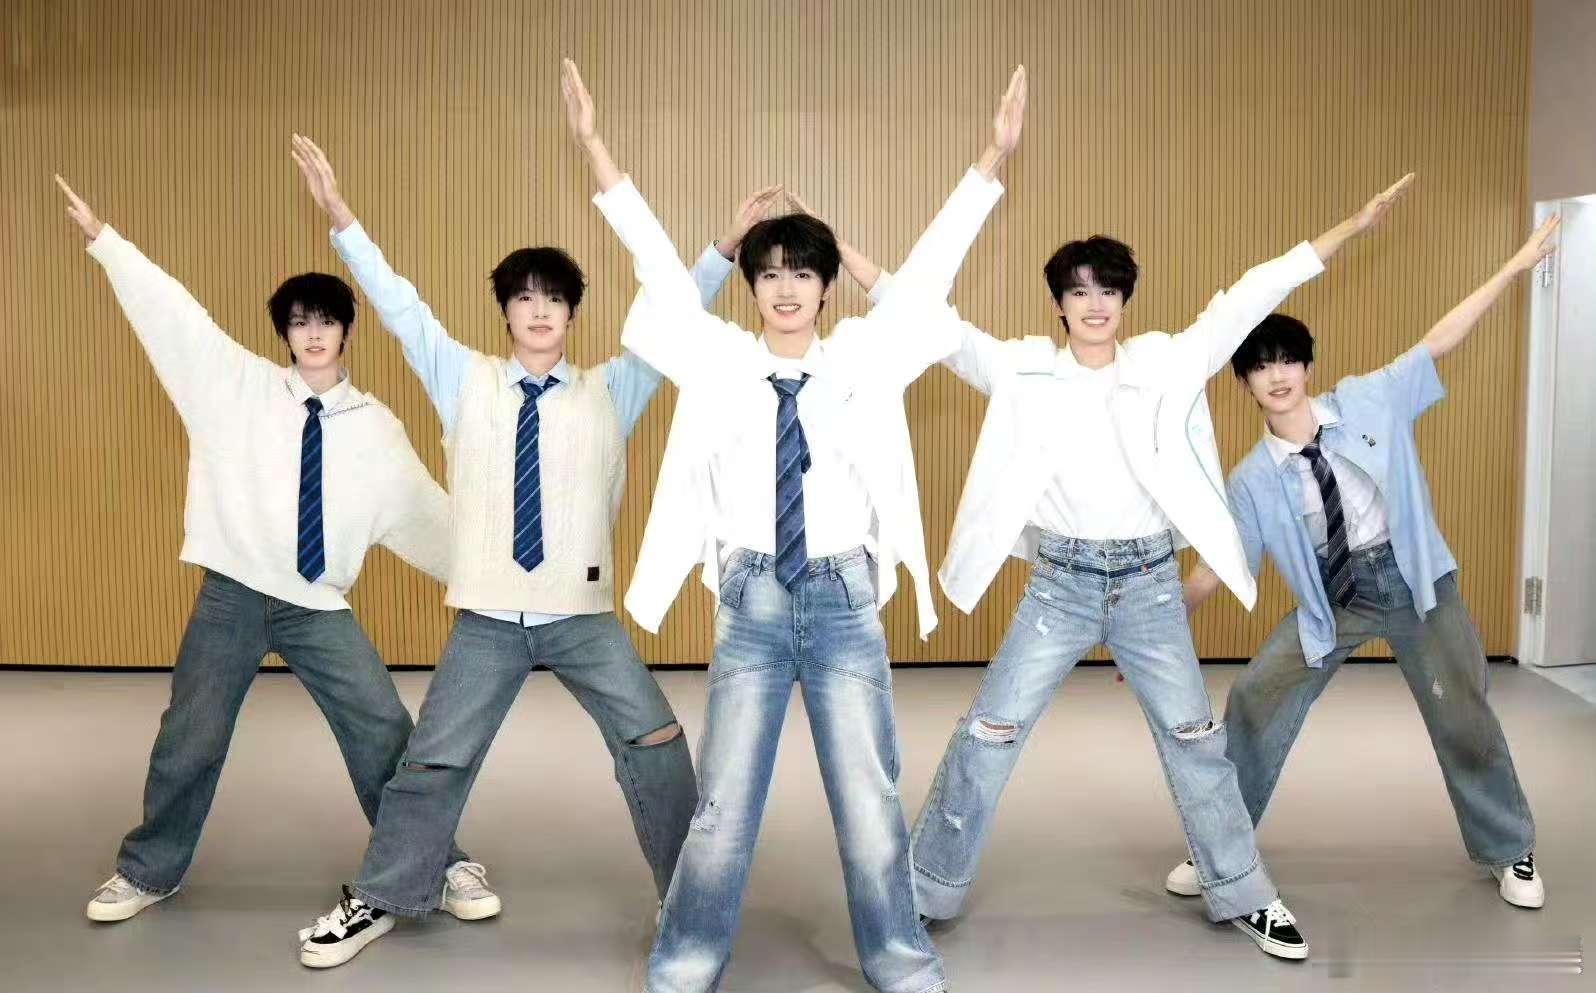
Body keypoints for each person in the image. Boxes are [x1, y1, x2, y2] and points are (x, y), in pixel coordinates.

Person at [1164, 214, 1559, 912]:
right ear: (1245, 383)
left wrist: (1515, 265)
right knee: (1254, 698)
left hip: (1416, 583)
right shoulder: (1252, 479)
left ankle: (1509, 847)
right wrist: (1156, 620)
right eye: (1260, 366)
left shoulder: (1370, 398)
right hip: (1334, 599)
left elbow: (1441, 338)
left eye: (1287, 360)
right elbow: (1213, 569)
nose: (1277, 375)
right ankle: (1221, 848)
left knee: (1463, 713)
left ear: (1306, 367)